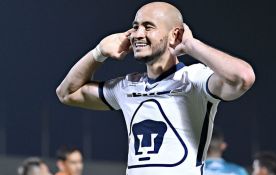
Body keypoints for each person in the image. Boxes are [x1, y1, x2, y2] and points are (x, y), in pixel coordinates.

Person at [56, 2, 255, 175]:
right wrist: (99, 52)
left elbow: (243, 77)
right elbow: (67, 93)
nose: (138, 34)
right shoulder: (126, 86)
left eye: (148, 27)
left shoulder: (195, 80)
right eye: (135, 27)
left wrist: (190, 44)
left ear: (174, 34)